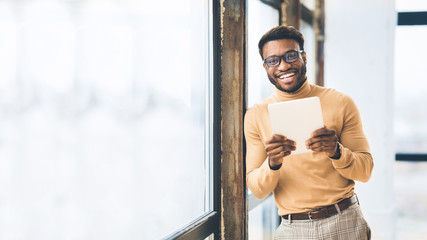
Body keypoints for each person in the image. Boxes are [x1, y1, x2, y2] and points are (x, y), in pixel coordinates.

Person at [244, 25, 373, 239]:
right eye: (273, 60)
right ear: (265, 66)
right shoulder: (256, 115)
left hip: (345, 220)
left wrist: (337, 152)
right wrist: (272, 164)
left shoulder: (341, 102)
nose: (283, 65)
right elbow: (257, 189)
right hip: (293, 228)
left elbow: (365, 171)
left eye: (291, 55)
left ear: (303, 56)